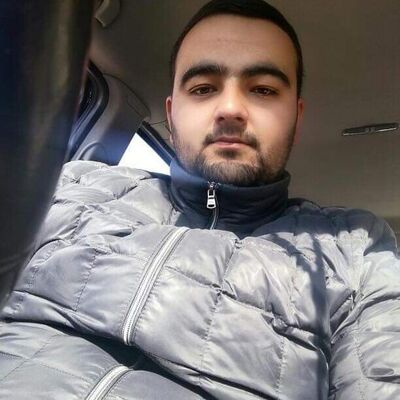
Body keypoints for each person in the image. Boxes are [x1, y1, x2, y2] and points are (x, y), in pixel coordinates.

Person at [0, 0, 399, 399]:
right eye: (203, 88)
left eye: (263, 89)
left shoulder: (355, 249)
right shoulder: (78, 183)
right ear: (172, 114)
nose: (230, 109)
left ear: (296, 118)